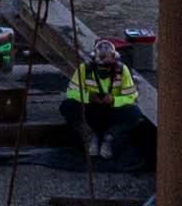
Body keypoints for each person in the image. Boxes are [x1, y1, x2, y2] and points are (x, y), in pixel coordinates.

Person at [62, 36, 154, 174]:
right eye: (100, 66)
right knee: (67, 106)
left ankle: (109, 138)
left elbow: (132, 96)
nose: (104, 69)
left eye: (107, 66)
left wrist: (114, 100)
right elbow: (71, 93)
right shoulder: (84, 69)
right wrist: (88, 97)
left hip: (112, 112)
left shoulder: (122, 71)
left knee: (134, 113)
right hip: (90, 111)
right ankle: (89, 135)